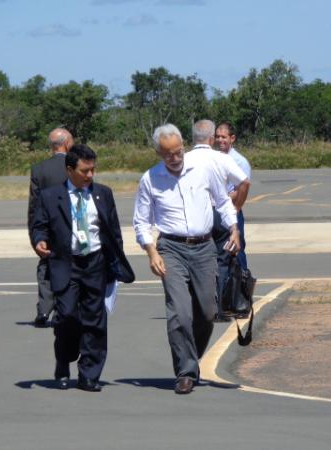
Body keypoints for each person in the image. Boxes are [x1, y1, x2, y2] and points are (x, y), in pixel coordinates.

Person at [133, 124, 240, 395]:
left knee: (206, 312)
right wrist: (151, 252)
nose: (175, 157)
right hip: (171, 248)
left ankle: (191, 359)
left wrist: (234, 228)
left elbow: (223, 200)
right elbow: (141, 222)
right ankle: (185, 371)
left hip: (204, 248)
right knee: (179, 313)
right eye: (168, 154)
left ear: (184, 146)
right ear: (158, 153)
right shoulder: (150, 179)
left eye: (178, 151)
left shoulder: (202, 169)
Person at [32, 144, 135, 392]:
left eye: (93, 170)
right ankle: (63, 360)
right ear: (70, 170)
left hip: (95, 263)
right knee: (67, 317)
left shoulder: (103, 194)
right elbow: (39, 225)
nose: (90, 175)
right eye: (85, 170)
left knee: (95, 322)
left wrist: (114, 264)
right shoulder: (50, 196)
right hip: (66, 263)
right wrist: (39, 241)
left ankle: (89, 374)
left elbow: (113, 232)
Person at [187, 119, 250, 321]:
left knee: (200, 258)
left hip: (197, 214)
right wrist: (237, 208)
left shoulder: (184, 159)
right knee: (223, 260)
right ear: (212, 139)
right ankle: (219, 308)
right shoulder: (220, 158)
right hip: (220, 213)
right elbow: (245, 182)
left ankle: (200, 304)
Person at [27, 127, 74, 327]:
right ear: (66, 143)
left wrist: (35, 236)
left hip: (46, 225)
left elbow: (34, 205)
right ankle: (62, 310)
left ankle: (44, 309)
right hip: (69, 225)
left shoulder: (39, 169)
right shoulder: (74, 166)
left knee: (46, 266)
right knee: (69, 267)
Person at [215, 121, 252, 270]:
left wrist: (234, 207)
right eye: (217, 137)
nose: (220, 140)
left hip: (232, 211)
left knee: (236, 249)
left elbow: (242, 188)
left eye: (224, 137)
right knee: (219, 251)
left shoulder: (240, 161)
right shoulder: (214, 158)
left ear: (232, 138)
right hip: (216, 213)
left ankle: (243, 283)